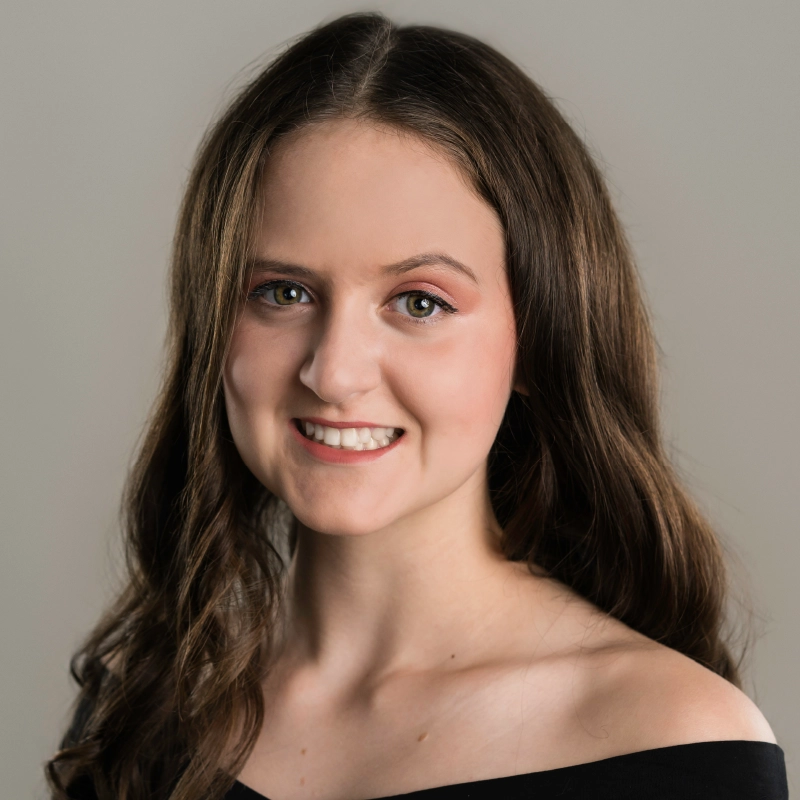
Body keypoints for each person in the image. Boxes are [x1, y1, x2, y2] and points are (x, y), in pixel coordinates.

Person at [46, 12, 788, 800]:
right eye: (284, 293)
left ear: (539, 339)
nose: (334, 373)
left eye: (420, 302)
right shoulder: (143, 710)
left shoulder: (673, 742)